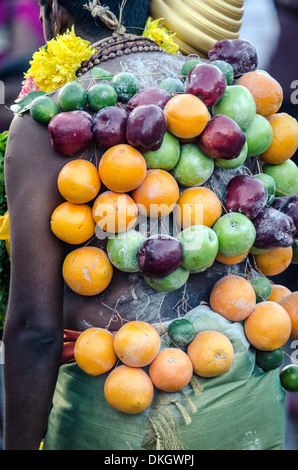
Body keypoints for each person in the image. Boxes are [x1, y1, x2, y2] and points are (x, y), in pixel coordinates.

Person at [3, 0, 286, 451]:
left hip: (117, 420)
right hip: (247, 400)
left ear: (56, 11)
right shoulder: (228, 93)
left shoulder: (45, 121)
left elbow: (35, 331)